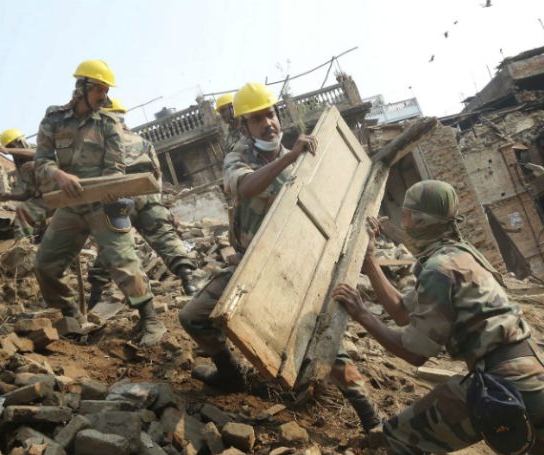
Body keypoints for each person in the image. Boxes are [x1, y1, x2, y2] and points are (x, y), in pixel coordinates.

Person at [331, 180, 544, 455]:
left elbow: (414, 353)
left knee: (399, 437)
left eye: (405, 215)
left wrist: (362, 314)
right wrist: (370, 261)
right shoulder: (462, 256)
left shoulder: (437, 270)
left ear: (419, 220)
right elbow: (403, 312)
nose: (402, 223)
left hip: (507, 384)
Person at [178, 82, 382, 433]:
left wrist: (365, 228)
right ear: (244, 126)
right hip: (251, 267)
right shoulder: (239, 158)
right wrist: (289, 158)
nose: (268, 124)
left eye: (270, 115)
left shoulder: (308, 159)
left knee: (324, 341)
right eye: (257, 119)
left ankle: (369, 414)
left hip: (297, 268)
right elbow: (245, 187)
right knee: (193, 316)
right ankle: (230, 375)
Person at [33, 59, 165, 346]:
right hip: (71, 204)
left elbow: (115, 167)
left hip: (105, 201)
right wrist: (59, 175)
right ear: (81, 87)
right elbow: (41, 161)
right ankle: (70, 314)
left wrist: (111, 188)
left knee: (124, 260)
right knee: (44, 265)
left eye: (106, 90)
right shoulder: (53, 119)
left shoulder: (109, 123)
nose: (104, 96)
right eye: (99, 89)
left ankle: (150, 319)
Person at [86, 98, 198, 305]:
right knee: (164, 236)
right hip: (147, 195)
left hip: (117, 197)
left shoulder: (99, 145)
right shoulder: (143, 142)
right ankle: (188, 281)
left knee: (113, 245)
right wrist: (161, 206)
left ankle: (95, 297)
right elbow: (157, 175)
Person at [0, 128, 54, 241]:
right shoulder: (21, 167)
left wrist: (8, 150)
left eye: (12, 146)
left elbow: (37, 154)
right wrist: (9, 197)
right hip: (44, 200)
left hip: (62, 192)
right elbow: (28, 194)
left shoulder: (36, 149)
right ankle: (23, 245)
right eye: (8, 147)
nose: (12, 150)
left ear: (20, 141)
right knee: (22, 209)